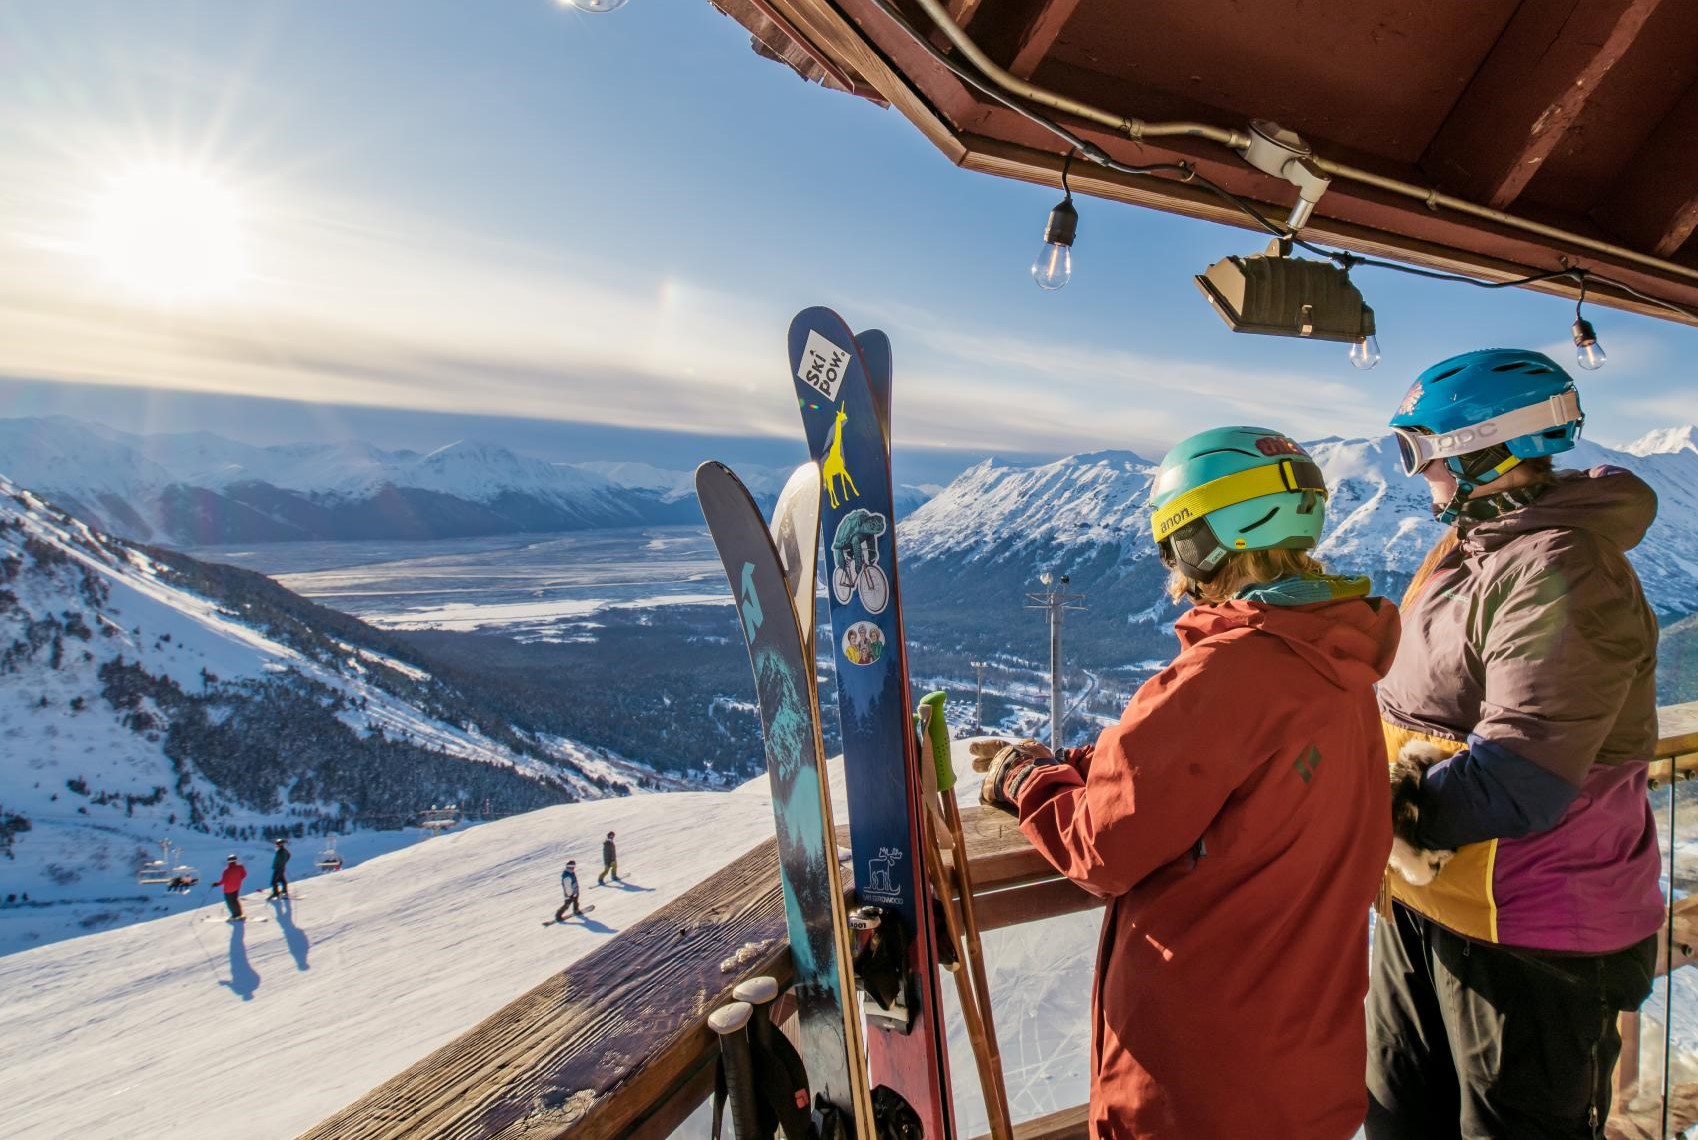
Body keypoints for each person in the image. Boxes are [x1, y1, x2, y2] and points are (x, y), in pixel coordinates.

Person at [979, 426, 1399, 1138]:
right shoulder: (1337, 660)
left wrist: (1027, 781)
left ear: (1204, 540)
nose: (1172, 566)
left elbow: (1102, 847)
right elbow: (1212, 770)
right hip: (1302, 1059)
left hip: (1199, 1081)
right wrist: (1083, 765)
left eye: (1173, 543)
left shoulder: (1227, 672)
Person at [1366, 349, 1662, 1139]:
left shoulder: (1564, 568)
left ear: (1483, 449)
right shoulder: (1474, 548)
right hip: (1427, 901)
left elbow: (1522, 776)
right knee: (1398, 1120)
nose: (1414, 471)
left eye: (1418, 449)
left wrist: (1367, 811)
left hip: (1533, 930)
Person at [216, 854, 247, 920]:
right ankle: (240, 914)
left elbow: (223, 881)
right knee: (235, 900)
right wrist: (238, 879)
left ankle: (235, 915)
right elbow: (244, 875)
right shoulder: (240, 867)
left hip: (228, 889)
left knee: (230, 902)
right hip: (237, 887)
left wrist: (216, 884)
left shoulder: (227, 871)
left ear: (228, 861)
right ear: (236, 860)